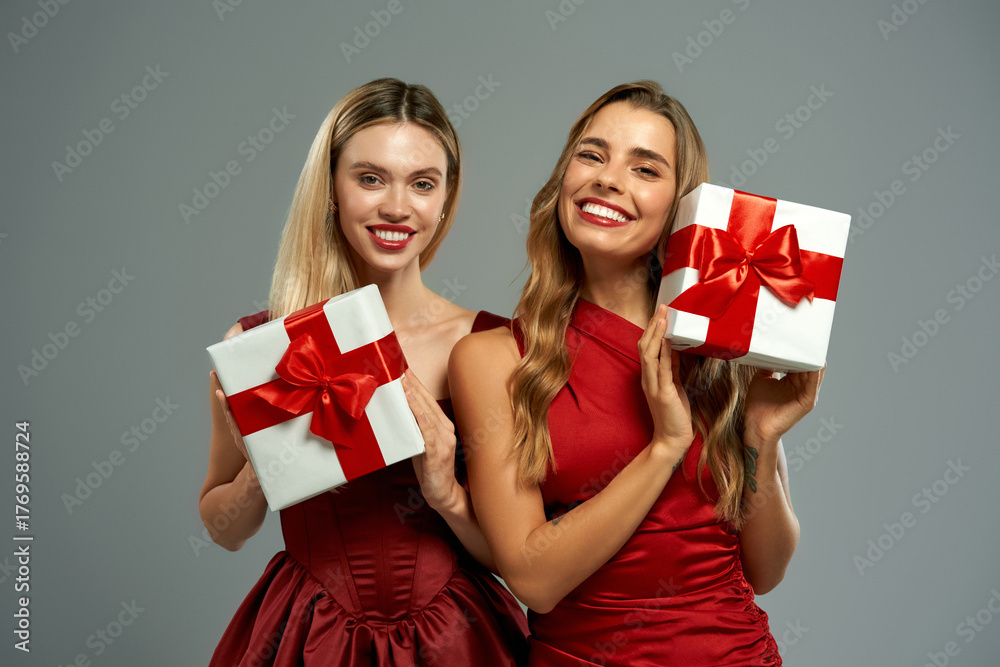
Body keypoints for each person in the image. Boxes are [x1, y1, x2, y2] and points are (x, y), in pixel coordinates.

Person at [448, 81, 824, 666]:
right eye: (591, 155)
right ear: (564, 178)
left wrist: (762, 440)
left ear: (681, 207)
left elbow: (767, 569)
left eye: (645, 169)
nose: (607, 177)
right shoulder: (494, 358)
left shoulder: (717, 341)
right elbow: (534, 578)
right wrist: (665, 447)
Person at [199, 78, 529, 666]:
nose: (397, 206)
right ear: (331, 188)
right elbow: (224, 529)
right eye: (370, 178)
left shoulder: (494, 346)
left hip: (459, 640)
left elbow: (527, 558)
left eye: (422, 183)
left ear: (447, 199)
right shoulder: (257, 346)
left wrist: (448, 495)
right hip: (306, 634)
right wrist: (261, 471)